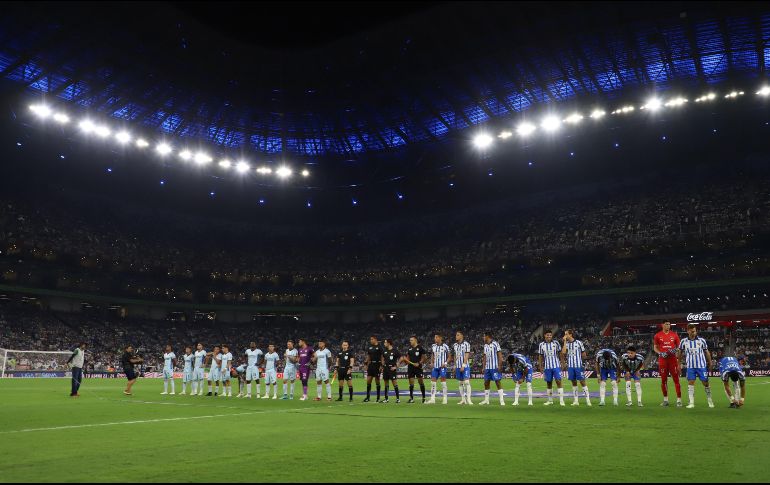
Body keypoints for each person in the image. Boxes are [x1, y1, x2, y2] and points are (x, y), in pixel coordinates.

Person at [678, 324, 714, 409]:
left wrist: (710, 362)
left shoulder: (701, 340)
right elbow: (680, 352)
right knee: (690, 383)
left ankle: (710, 400)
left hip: (701, 365)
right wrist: (678, 363)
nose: (693, 333)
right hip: (690, 366)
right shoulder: (683, 341)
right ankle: (691, 402)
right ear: (688, 331)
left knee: (705, 383)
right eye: (691, 331)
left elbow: (706, 352)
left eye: (694, 331)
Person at [653, 321, 683, 407]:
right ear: (662, 325)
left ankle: (679, 400)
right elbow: (655, 348)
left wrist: (675, 350)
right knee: (663, 380)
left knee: (676, 379)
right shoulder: (657, 335)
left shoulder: (674, 335)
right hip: (663, 360)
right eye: (666, 324)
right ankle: (665, 400)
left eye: (669, 324)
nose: (668, 325)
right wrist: (660, 353)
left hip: (672, 360)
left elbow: (679, 347)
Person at [561, 329, 591, 406]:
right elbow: (563, 352)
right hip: (570, 366)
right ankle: (576, 401)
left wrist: (582, 362)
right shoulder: (566, 344)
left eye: (566, 334)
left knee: (582, 382)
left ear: (570, 335)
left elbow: (584, 353)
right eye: (565, 334)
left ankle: (588, 400)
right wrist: (564, 341)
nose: (565, 336)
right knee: (573, 382)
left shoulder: (579, 343)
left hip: (578, 365)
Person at [538, 330, 565, 406]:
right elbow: (540, 356)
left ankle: (561, 401)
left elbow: (560, 353)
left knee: (558, 381)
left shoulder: (556, 343)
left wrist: (563, 363)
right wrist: (540, 366)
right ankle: (550, 400)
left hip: (556, 366)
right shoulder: (541, 345)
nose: (549, 336)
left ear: (552, 336)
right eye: (547, 335)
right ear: (544, 335)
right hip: (547, 367)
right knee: (549, 383)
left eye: (550, 335)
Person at [480, 332, 505, 406]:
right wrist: (483, 367)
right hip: (487, 368)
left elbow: (500, 355)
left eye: (484, 336)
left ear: (488, 336)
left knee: (497, 382)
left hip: (494, 367)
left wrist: (500, 366)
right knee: (486, 383)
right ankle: (486, 400)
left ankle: (502, 400)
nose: (483, 338)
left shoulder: (495, 344)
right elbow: (484, 357)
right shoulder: (485, 346)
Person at [427, 334, 451, 405]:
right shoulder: (433, 346)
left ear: (440, 338)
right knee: (433, 383)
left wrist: (445, 363)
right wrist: (431, 362)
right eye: (435, 337)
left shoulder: (445, 346)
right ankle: (432, 399)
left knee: (443, 383)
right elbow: (432, 355)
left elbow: (449, 357)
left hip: (442, 367)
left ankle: (445, 398)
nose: (435, 338)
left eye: (436, 337)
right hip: (435, 367)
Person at [405, 336, 428, 403]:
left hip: (418, 368)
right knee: (411, 383)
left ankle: (423, 398)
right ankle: (411, 398)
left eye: (411, 340)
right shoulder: (409, 349)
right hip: (411, 368)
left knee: (420, 382)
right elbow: (407, 358)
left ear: (415, 340)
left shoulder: (420, 348)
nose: (410, 341)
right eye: (410, 340)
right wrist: (407, 361)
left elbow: (425, 358)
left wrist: (419, 363)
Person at [453, 331, 473, 405]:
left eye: (458, 335)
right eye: (456, 335)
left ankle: (469, 399)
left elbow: (467, 355)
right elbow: (455, 356)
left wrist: (463, 365)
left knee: (467, 382)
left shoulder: (466, 344)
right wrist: (455, 365)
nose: (456, 336)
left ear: (461, 336)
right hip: (458, 366)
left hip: (465, 366)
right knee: (460, 383)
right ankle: (463, 399)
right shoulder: (455, 345)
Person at [364, 336, 383, 403]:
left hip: (377, 365)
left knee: (377, 381)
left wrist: (381, 365)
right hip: (371, 365)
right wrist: (366, 363)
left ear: (375, 339)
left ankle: (378, 398)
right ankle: (368, 397)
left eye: (372, 339)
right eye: (370, 339)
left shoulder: (380, 347)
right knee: (368, 381)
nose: (370, 340)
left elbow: (382, 356)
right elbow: (369, 356)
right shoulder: (370, 347)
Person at [381, 339, 401, 403]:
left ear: (389, 343)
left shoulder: (395, 351)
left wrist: (396, 366)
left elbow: (401, 358)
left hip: (392, 369)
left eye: (385, 342)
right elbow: (383, 358)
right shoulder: (385, 351)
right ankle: (386, 399)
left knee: (394, 383)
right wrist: (382, 365)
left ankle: (398, 399)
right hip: (385, 369)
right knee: (386, 384)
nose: (384, 343)